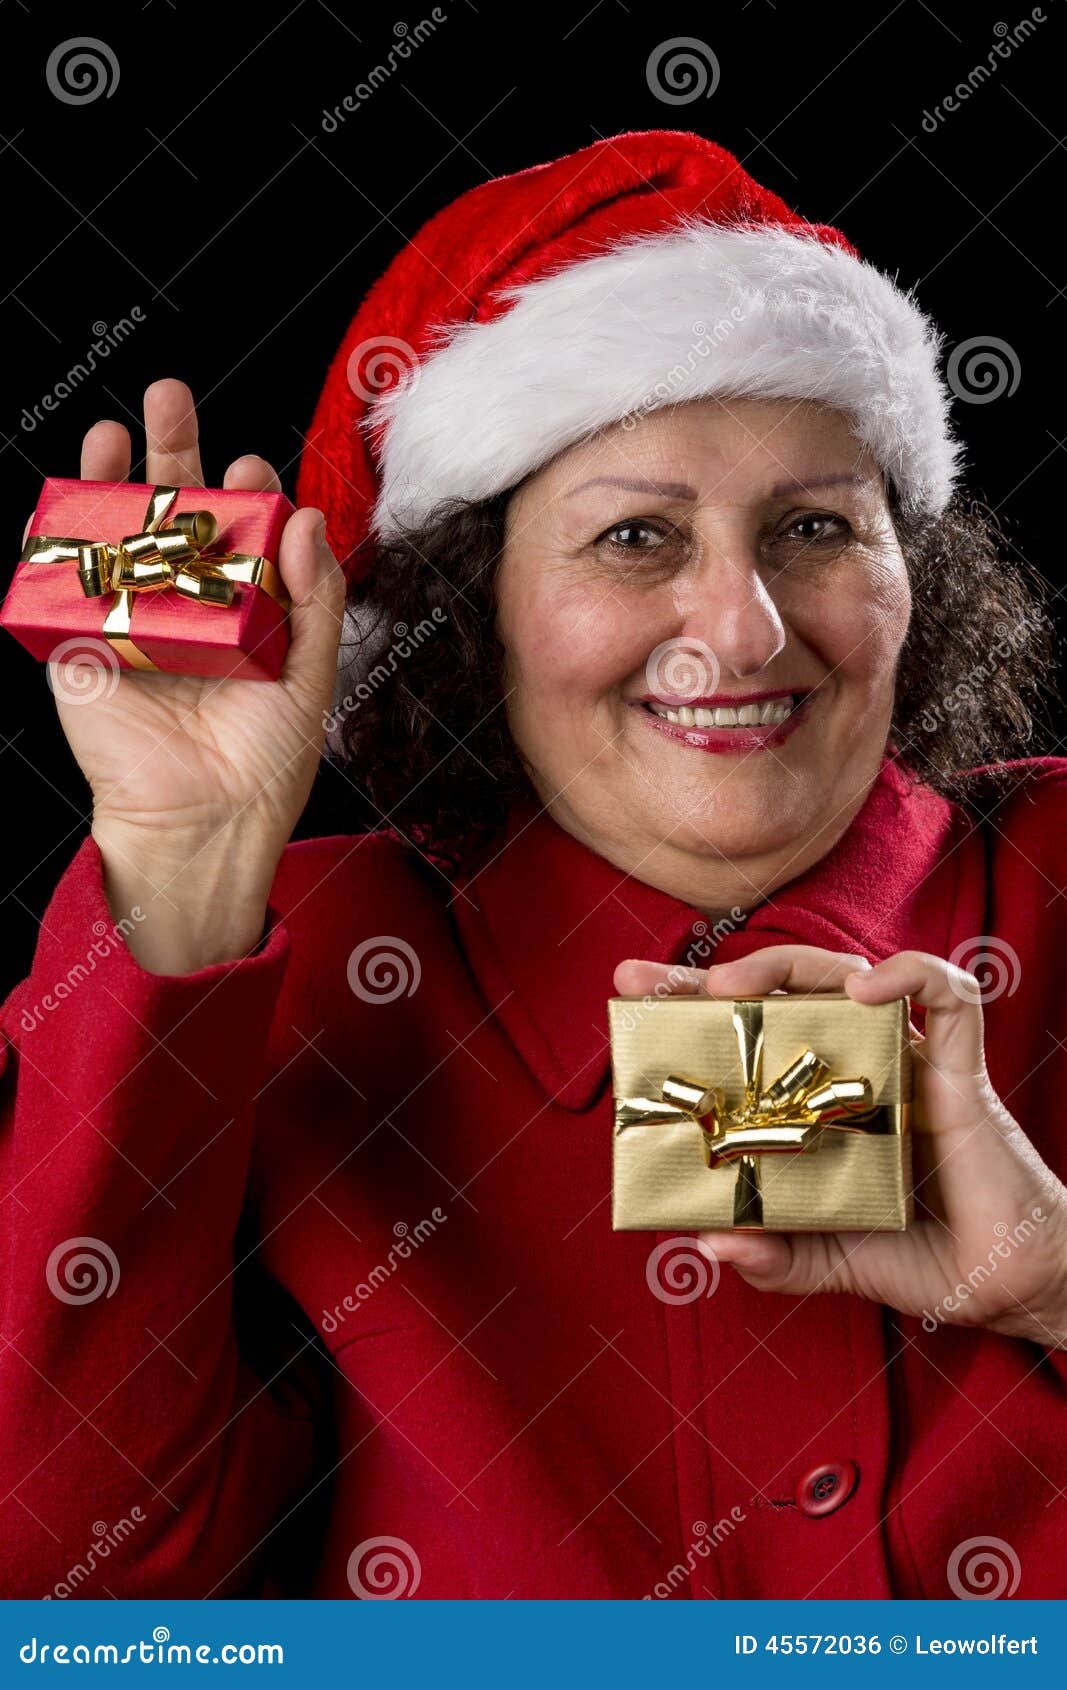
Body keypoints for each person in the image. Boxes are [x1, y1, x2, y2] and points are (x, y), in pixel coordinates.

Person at [2, 129, 1066, 1602]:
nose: (743, 629)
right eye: (635, 536)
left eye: (815, 527)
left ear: (916, 572)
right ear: (472, 611)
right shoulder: (309, 960)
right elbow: (64, 1588)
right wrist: (176, 880)